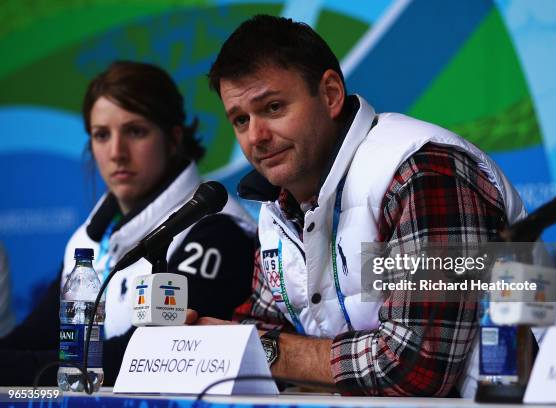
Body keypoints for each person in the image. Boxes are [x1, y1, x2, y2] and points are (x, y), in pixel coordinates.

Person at [188, 15, 527, 397]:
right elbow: (262, 328)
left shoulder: (420, 172)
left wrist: (255, 350)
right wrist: (204, 346)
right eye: (240, 119)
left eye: (273, 108)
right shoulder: (278, 209)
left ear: (331, 95)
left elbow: (415, 367)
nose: (256, 137)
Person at [0, 61, 255, 385]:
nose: (117, 152)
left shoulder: (216, 229)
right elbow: (32, 338)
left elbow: (142, 359)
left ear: (173, 138)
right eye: (101, 135)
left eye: (135, 131)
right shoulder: (87, 240)